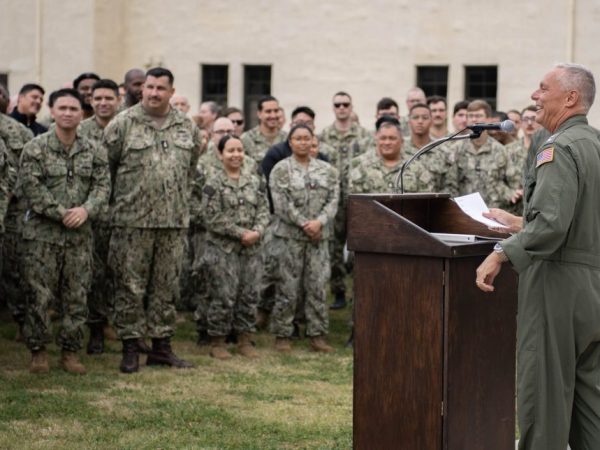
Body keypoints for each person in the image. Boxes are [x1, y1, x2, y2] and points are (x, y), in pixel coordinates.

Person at [476, 63, 600, 450]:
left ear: (570, 98)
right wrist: (519, 223)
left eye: (543, 88)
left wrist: (501, 252)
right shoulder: (594, 143)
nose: (534, 96)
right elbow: (580, 216)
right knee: (589, 406)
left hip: (556, 286)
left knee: (544, 403)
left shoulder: (558, 148)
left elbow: (550, 226)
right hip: (592, 289)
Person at [103, 67, 201, 373]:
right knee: (129, 286)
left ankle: (161, 347)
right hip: (131, 221)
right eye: (149, 87)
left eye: (161, 88)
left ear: (172, 92)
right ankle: (131, 346)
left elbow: (191, 169)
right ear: (141, 89)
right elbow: (105, 170)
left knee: (166, 287)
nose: (154, 93)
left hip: (173, 223)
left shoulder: (187, 126)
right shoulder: (123, 123)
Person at [18, 88, 110, 374]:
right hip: (42, 235)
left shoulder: (94, 150)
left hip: (79, 236)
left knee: (77, 295)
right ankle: (39, 350)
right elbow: (31, 188)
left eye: (73, 109)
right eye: (62, 108)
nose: (68, 113)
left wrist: (85, 210)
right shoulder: (35, 148)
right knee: (39, 295)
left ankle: (70, 351)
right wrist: (61, 213)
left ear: (82, 114)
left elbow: (102, 187)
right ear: (52, 111)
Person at [269, 124, 339, 353]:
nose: (302, 142)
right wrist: (304, 224)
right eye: (297, 138)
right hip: (289, 238)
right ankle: (283, 334)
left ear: (313, 141)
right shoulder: (281, 170)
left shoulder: (328, 171)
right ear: (290, 142)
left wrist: (319, 222)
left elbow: (333, 201)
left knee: (318, 286)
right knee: (287, 287)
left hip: (319, 238)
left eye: (306, 138)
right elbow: (281, 204)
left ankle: (317, 335)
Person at [201, 135, 269, 359]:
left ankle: (244, 339)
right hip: (223, 249)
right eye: (230, 151)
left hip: (252, 249)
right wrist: (241, 233)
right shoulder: (213, 183)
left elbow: (264, 211)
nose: (236, 155)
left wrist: (257, 231)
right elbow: (211, 217)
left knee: (249, 294)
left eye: (240, 150)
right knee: (223, 295)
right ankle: (217, 341)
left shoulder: (255, 181)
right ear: (220, 154)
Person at [78, 79, 121, 354]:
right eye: (98, 98)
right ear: (91, 101)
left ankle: (122, 326)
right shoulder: (80, 130)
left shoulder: (128, 126)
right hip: (91, 214)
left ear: (118, 100)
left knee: (122, 274)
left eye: (109, 98)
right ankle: (96, 328)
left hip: (123, 213)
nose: (103, 103)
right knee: (94, 274)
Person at [319, 91, 371, 309]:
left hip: (358, 198)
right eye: (338, 104)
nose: (342, 108)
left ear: (351, 107)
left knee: (361, 245)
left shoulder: (364, 136)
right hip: (333, 199)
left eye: (345, 104)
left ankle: (361, 290)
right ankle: (338, 290)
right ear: (333, 108)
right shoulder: (323, 136)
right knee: (334, 246)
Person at [1, 98, 34, 340]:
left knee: (14, 268)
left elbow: (30, 168)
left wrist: (13, 192)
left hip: (12, 211)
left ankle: (23, 319)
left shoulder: (19, 130)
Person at [451, 99, 512, 209]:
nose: (474, 119)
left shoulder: (500, 150)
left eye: (478, 116)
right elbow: (450, 185)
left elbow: (512, 184)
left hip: (493, 212)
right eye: (470, 116)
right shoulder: (456, 149)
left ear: (489, 119)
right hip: (464, 212)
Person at [241, 96, 286, 167]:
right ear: (259, 114)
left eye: (276, 111)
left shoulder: (287, 139)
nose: (273, 115)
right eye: (268, 111)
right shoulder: (246, 139)